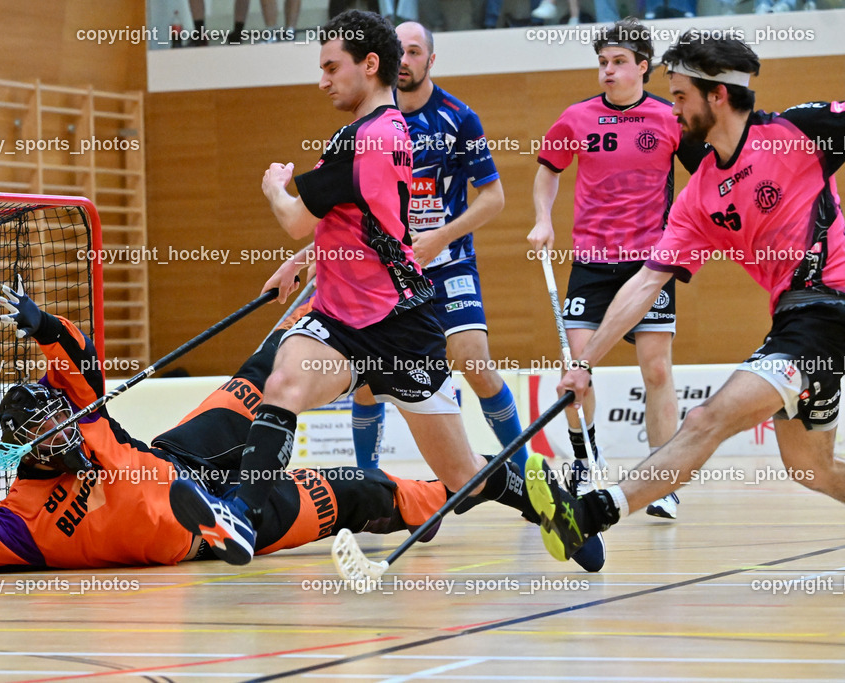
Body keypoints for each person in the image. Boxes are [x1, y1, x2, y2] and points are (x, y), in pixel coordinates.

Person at [162, 9, 605, 572]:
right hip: (343, 323)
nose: (322, 80)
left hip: (401, 327)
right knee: (283, 382)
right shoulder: (385, 131)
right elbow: (358, 225)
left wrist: (275, 186)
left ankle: (542, 499)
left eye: (331, 67)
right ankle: (243, 516)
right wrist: (305, 262)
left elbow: (298, 217)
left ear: (369, 65)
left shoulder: (364, 141)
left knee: (463, 478)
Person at [525, 31, 845, 564]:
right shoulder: (698, 199)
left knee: (704, 420)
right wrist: (582, 363)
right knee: (811, 469)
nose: (670, 109)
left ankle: (589, 515)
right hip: (793, 317)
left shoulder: (799, 130)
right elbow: (646, 283)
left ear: (716, 95)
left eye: (679, 97)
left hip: (830, 305)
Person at [0, 277, 454, 578]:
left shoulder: (86, 421)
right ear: (29, 448)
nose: (65, 427)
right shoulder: (21, 517)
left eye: (62, 414)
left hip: (181, 457)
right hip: (201, 533)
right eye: (50, 425)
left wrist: (42, 325)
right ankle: (447, 496)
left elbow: (76, 357)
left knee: (259, 377)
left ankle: (328, 298)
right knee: (355, 492)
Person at [528, 17, 706, 520]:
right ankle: (586, 460)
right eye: (602, 63)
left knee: (655, 368)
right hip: (591, 263)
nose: (607, 71)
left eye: (618, 62)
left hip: (649, 263)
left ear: (643, 67)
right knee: (577, 370)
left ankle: (662, 478)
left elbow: (708, 173)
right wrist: (544, 220)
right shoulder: (577, 118)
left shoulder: (669, 118)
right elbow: (548, 171)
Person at [350, 21, 527, 481]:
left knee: (476, 363)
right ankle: (369, 485)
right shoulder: (369, 120)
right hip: (387, 271)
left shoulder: (458, 117)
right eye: (398, 52)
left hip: (449, 263)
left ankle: (526, 476)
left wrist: (440, 237)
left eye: (414, 52)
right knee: (368, 380)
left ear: (430, 60)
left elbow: (494, 198)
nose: (404, 61)